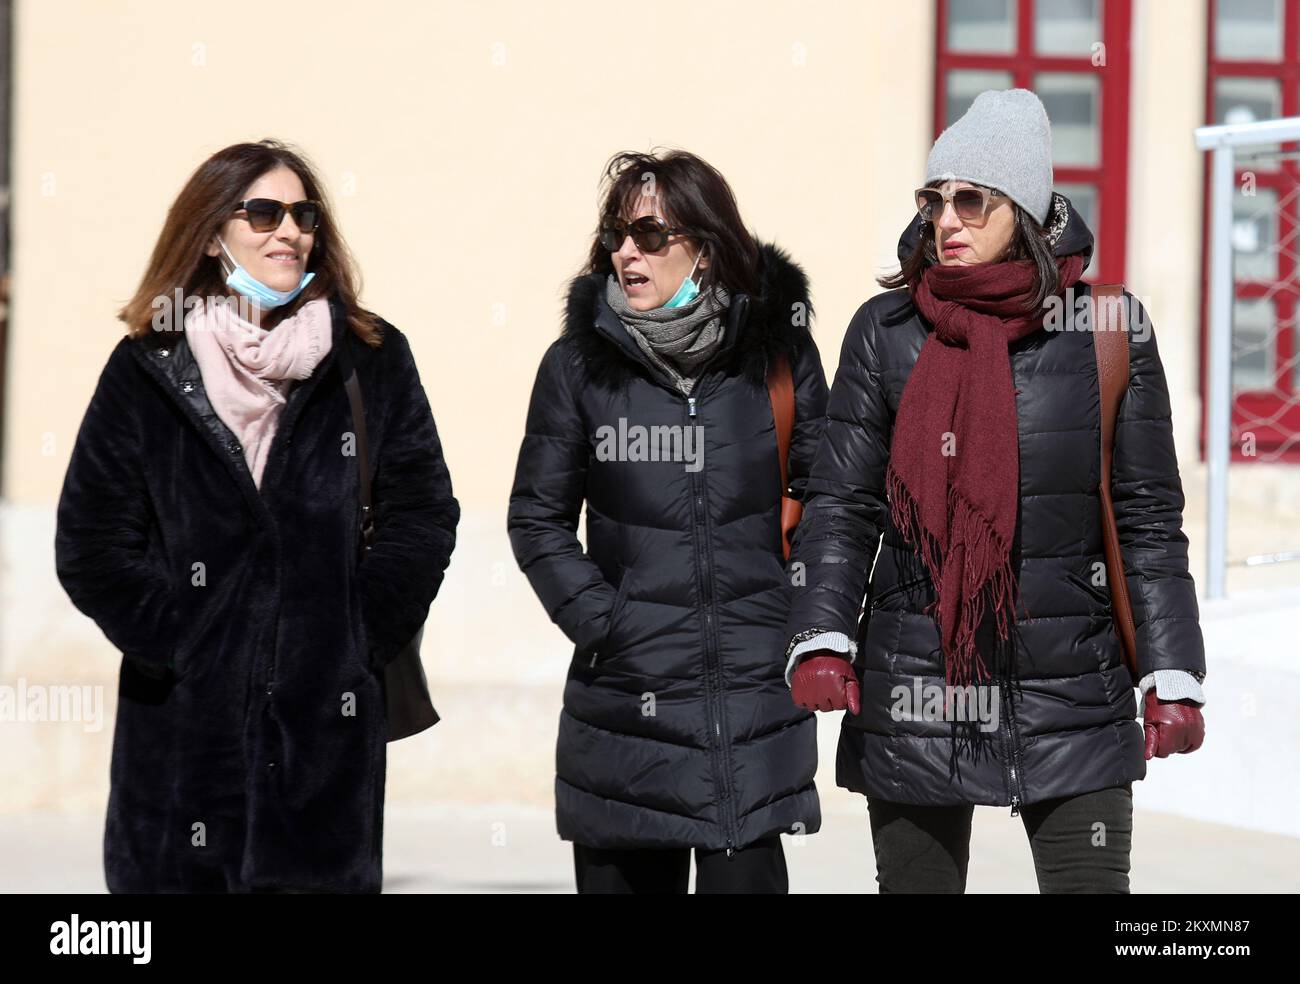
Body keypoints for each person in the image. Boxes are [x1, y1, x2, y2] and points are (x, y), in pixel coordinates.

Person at [783, 90, 1206, 893]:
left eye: (971, 200)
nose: (948, 219)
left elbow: (1149, 519)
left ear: (1023, 207)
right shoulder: (886, 332)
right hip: (916, 685)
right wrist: (822, 633)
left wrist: (1173, 672)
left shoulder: (1108, 332)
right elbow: (842, 503)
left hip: (1073, 693)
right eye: (934, 199)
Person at [55, 139, 459, 893]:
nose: (289, 231)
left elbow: (423, 513)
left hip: (322, 739)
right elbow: (91, 542)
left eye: (303, 214)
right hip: (180, 744)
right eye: (264, 212)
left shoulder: (369, 356)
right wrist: (180, 642)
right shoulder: (150, 362)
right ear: (213, 234)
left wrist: (355, 635)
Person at [508, 149, 829, 893]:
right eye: (617, 235)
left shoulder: (779, 362)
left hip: (751, 716)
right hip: (626, 716)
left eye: (650, 235)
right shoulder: (577, 368)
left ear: (706, 249)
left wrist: (795, 614)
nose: (626, 252)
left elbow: (827, 503)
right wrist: (606, 622)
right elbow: (536, 519)